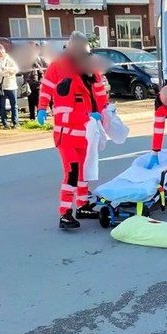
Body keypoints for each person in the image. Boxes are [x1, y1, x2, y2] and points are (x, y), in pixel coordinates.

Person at [36, 31, 109, 230]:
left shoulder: (90, 72)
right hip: (68, 134)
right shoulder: (61, 71)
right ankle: (65, 213)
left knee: (84, 170)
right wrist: (42, 107)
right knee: (72, 172)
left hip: (86, 133)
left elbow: (100, 94)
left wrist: (106, 111)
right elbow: (48, 90)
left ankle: (82, 204)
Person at [0, 43, 20, 129]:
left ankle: (15, 122)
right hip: (1, 86)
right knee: (2, 106)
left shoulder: (9, 59)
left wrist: (7, 69)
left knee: (14, 105)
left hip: (12, 85)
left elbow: (16, 69)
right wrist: (9, 73)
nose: (1, 52)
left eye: (2, 50)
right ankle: (5, 123)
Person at [24, 42, 46, 120]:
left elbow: (41, 70)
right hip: (29, 83)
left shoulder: (39, 59)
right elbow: (23, 70)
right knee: (30, 101)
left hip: (37, 83)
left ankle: (41, 116)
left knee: (38, 101)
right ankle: (32, 117)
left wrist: (41, 81)